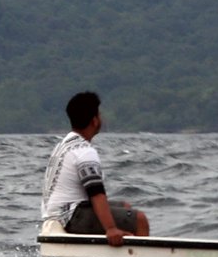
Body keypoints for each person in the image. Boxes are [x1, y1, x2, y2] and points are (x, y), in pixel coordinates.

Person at [41, 91, 149, 247]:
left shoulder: (64, 144)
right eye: (99, 114)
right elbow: (96, 194)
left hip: (55, 214)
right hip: (70, 217)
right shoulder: (85, 151)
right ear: (94, 120)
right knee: (139, 220)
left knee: (125, 208)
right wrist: (111, 229)